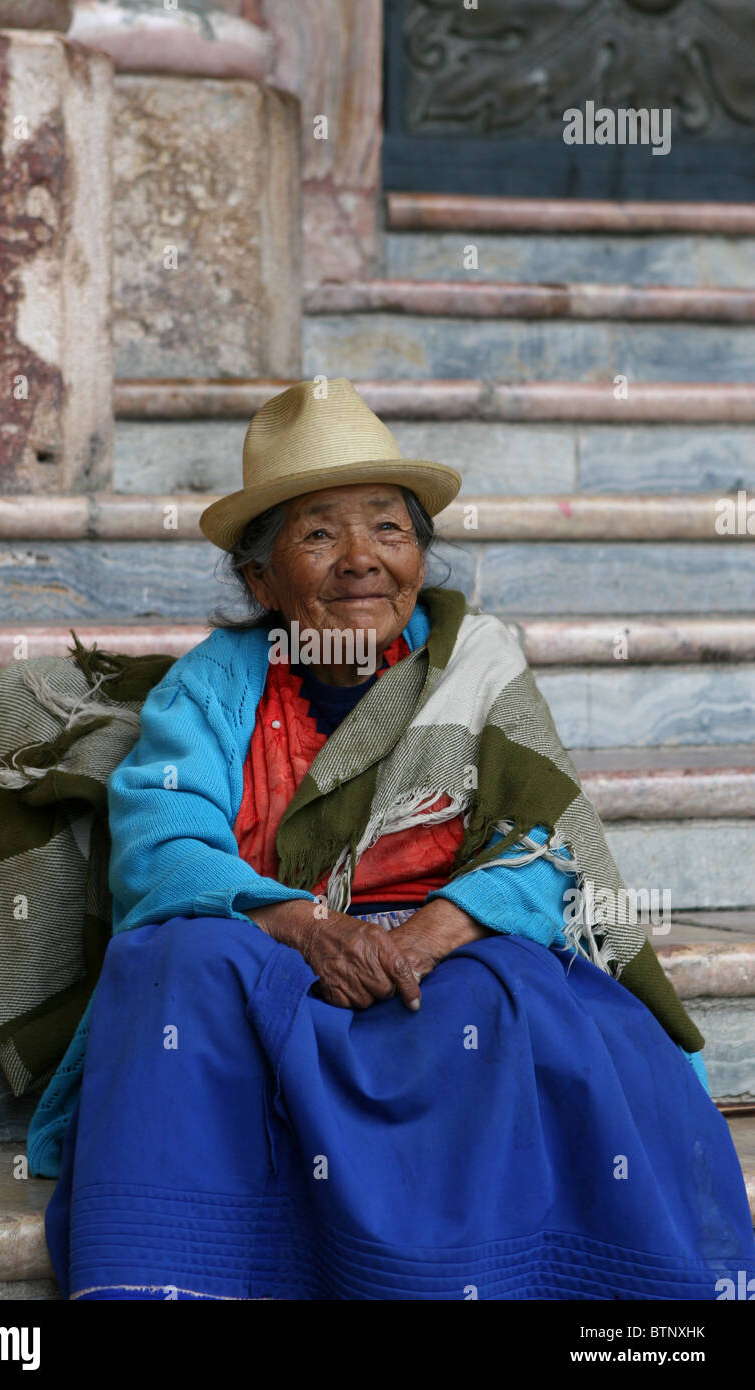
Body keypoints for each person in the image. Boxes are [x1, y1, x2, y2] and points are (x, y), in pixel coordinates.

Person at [37, 378, 755, 1300]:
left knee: (517, 995)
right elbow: (162, 843)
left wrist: (417, 941)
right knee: (172, 964)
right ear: (260, 578)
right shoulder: (214, 686)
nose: (361, 559)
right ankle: (190, 1272)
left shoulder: (478, 668)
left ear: (418, 553)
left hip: (436, 953)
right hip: (276, 943)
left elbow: (544, 848)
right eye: (319, 532)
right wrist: (307, 928)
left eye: (387, 528)